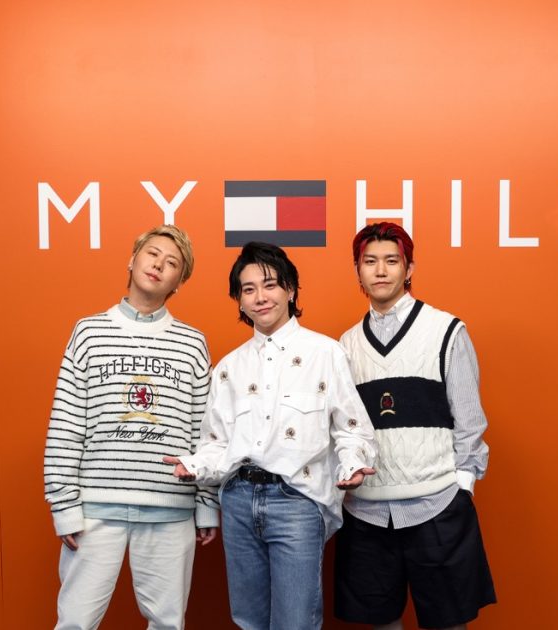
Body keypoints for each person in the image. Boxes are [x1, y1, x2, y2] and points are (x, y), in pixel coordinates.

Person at [163, 241, 377, 630]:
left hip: (297, 499)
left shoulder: (325, 353)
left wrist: (353, 464)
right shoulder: (228, 368)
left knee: (295, 622)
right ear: (239, 301)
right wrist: (193, 465)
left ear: (290, 290)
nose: (260, 297)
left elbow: (351, 428)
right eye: (248, 289)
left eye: (270, 285)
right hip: (239, 501)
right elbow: (216, 443)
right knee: (249, 620)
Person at [43, 225, 217, 630]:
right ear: (132, 260)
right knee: (75, 622)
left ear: (179, 282)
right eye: (152, 254)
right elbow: (66, 422)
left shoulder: (193, 343)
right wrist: (64, 505)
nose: (159, 265)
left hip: (170, 508)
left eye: (172, 263)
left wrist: (207, 503)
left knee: (167, 622)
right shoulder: (88, 332)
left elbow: (206, 431)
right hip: (94, 506)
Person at [333, 222, 496, 630]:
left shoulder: (446, 330)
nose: (381, 270)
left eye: (392, 261)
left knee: (448, 624)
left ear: (409, 269)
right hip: (366, 513)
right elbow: (343, 428)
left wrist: (461, 488)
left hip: (437, 505)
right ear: (358, 271)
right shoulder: (345, 345)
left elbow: (469, 419)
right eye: (370, 261)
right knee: (381, 623)